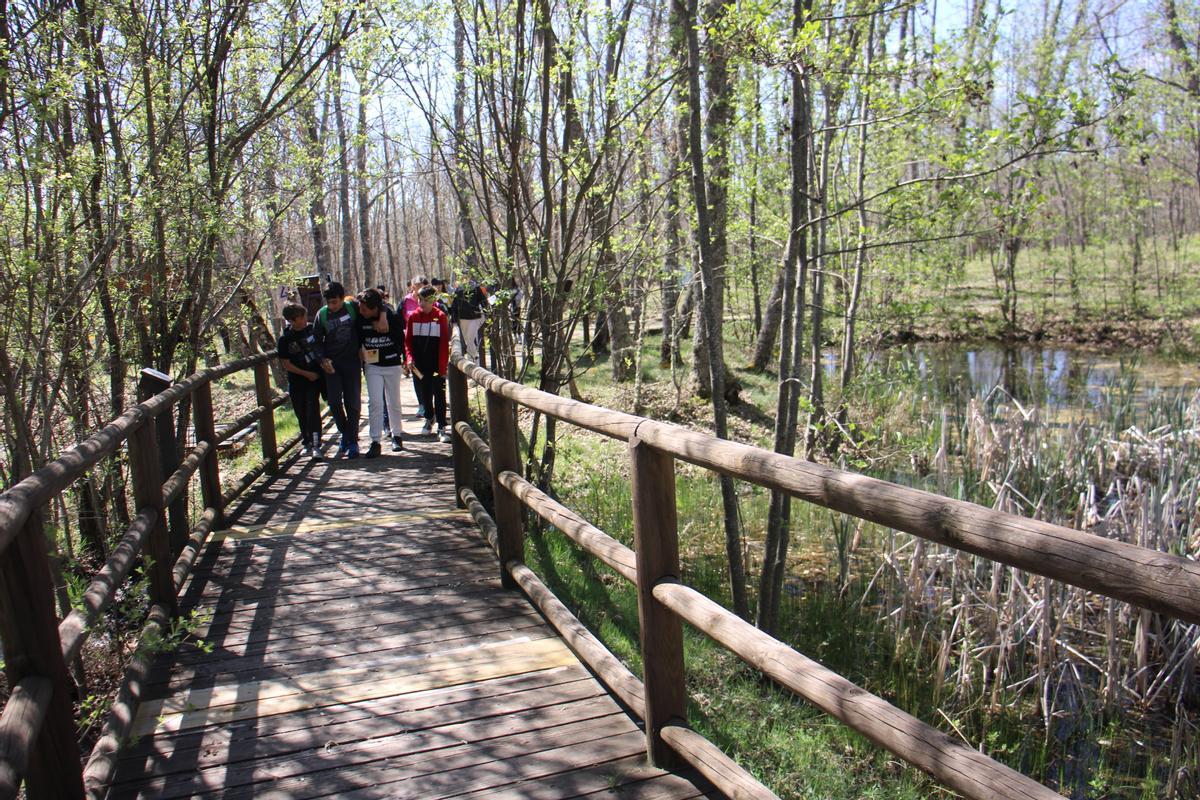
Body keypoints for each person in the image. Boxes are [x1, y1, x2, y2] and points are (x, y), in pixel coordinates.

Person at [314, 281, 362, 458]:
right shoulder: (322, 315)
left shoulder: (352, 308)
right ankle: (347, 434)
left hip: (352, 362)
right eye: (329, 303)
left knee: (353, 403)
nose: (332, 306)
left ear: (342, 298)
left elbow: (368, 318)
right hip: (332, 365)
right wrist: (322, 359)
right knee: (334, 402)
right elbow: (317, 342)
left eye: (335, 302)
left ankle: (353, 441)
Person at [357, 288, 406, 457]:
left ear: (375, 308)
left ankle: (397, 435)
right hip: (372, 366)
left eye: (364, 309)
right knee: (375, 402)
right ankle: (375, 441)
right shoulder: (360, 319)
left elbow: (401, 338)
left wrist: (404, 358)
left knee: (394, 401)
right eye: (360, 308)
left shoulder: (391, 316)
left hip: (392, 364)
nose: (361, 311)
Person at [277, 303, 325, 460]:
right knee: (301, 413)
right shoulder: (285, 339)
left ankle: (317, 444)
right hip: (297, 381)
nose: (306, 319)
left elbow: (321, 347)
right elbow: (286, 363)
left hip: (314, 380)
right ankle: (307, 442)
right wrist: (305, 374)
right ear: (293, 320)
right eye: (302, 317)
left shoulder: (311, 329)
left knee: (312, 410)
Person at [405, 285, 451, 443]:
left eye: (425, 300)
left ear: (433, 300)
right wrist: (409, 359)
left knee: (439, 393)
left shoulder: (441, 316)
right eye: (420, 299)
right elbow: (408, 341)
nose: (422, 303)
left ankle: (441, 426)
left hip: (436, 364)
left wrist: (442, 366)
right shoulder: (413, 317)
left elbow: (444, 343)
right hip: (420, 365)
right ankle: (429, 418)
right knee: (424, 393)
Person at [402, 275, 429, 419]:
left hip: (429, 341)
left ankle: (430, 404)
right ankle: (422, 405)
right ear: (412, 286)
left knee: (429, 376)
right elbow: (400, 322)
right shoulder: (406, 301)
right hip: (412, 342)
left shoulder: (430, 300)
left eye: (422, 285)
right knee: (416, 375)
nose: (418, 288)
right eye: (416, 285)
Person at [450, 279, 488, 359]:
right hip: (462, 318)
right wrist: (454, 318)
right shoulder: (459, 289)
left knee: (470, 340)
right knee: (468, 340)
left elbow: (483, 301)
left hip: (474, 318)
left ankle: (475, 358)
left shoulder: (476, 288)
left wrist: (487, 313)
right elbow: (455, 304)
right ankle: (472, 359)